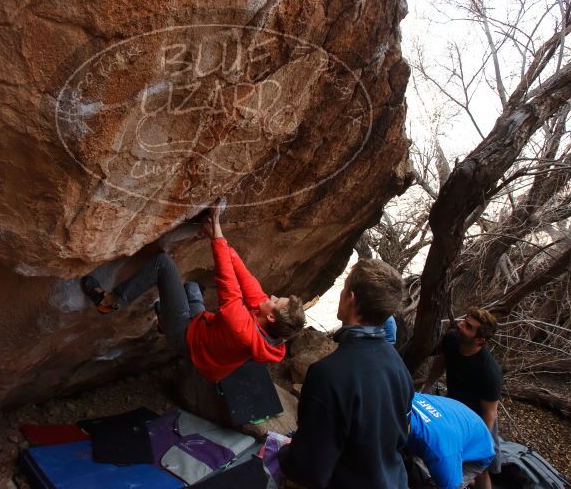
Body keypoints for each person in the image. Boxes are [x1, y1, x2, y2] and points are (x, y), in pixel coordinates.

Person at [80, 202, 305, 382]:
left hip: (186, 337)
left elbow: (229, 285)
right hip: (204, 338)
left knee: (163, 263)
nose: (272, 297)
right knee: (192, 287)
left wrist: (216, 232)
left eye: (276, 301)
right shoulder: (271, 331)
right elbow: (245, 279)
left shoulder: (242, 331)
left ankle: (110, 302)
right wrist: (221, 240)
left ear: (271, 317)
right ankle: (163, 320)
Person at [278, 259, 414, 488]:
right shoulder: (398, 367)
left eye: (343, 288)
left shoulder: (329, 375)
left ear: (351, 298)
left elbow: (309, 470)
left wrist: (284, 455)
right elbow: (404, 432)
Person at [422, 308, 503, 489]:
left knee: (481, 464)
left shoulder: (489, 372)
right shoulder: (452, 339)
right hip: (452, 407)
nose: (460, 325)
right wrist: (428, 385)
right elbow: (441, 362)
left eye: (468, 326)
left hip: (477, 419)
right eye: (464, 321)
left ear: (480, 340)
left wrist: (476, 444)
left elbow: (489, 414)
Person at [407, 392, 495, 489]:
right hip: (457, 416)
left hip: (479, 445)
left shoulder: (440, 452)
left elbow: (451, 486)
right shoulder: (401, 397)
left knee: (439, 483)